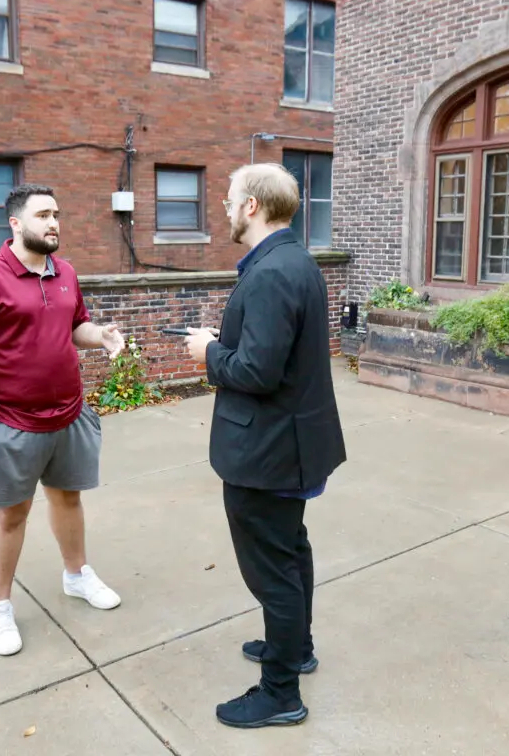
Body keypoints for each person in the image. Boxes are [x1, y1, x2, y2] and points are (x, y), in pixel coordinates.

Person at [185, 163, 346, 728]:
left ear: (252, 205)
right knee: (290, 550)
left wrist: (206, 350)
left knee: (273, 570)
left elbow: (257, 371)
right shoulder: (292, 261)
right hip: (289, 445)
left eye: (230, 200)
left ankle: (280, 692)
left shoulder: (274, 272)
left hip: (269, 453)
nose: (225, 209)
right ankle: (295, 648)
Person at [0, 183, 125, 657]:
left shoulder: (64, 272)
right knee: (10, 515)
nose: (54, 223)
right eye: (43, 214)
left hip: (68, 414)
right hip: (13, 421)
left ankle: (76, 575)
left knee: (68, 499)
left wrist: (100, 335)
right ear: (15, 224)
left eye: (57, 214)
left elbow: (74, 328)